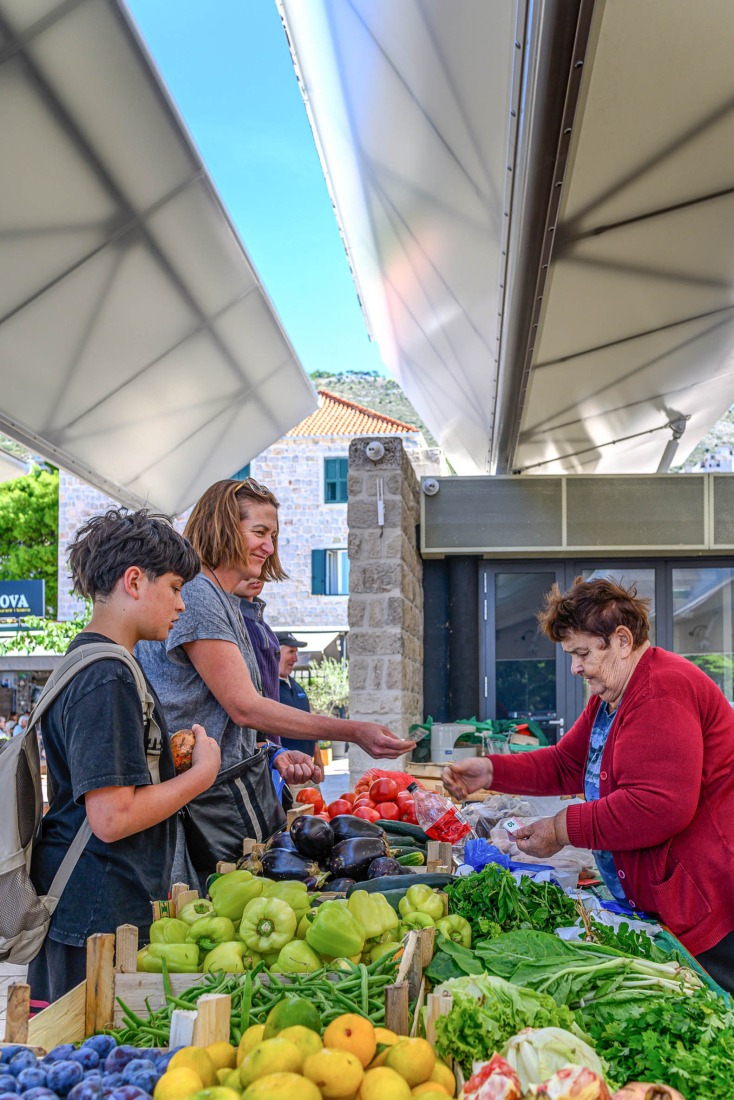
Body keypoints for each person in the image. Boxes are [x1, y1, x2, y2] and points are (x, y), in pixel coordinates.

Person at [443, 575, 734, 992]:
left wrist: (562, 829)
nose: (575, 667)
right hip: (673, 894)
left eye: (581, 653)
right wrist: (491, 771)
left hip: (707, 899)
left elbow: (660, 805)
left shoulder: (661, 690)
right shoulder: (611, 696)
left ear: (620, 640)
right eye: (571, 655)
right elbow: (567, 762)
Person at [137, 478, 412, 873]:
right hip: (198, 803)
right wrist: (353, 731)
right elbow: (244, 707)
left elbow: (228, 712)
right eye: (260, 533)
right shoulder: (197, 593)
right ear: (223, 528)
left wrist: (274, 752)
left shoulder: (221, 599)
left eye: (274, 535)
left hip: (214, 796)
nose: (269, 547)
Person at [28, 509, 221, 1003]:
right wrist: (202, 775)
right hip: (94, 911)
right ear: (135, 581)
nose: (181, 605)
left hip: (94, 903)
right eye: (175, 587)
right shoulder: (107, 675)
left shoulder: (90, 661)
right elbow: (112, 815)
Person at [276, 631, 322, 769]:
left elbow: (309, 724)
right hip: (286, 772)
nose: (295, 659)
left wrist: (318, 759)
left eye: (296, 653)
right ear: (275, 653)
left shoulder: (297, 687)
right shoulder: (267, 689)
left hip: (307, 768)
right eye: (291, 652)